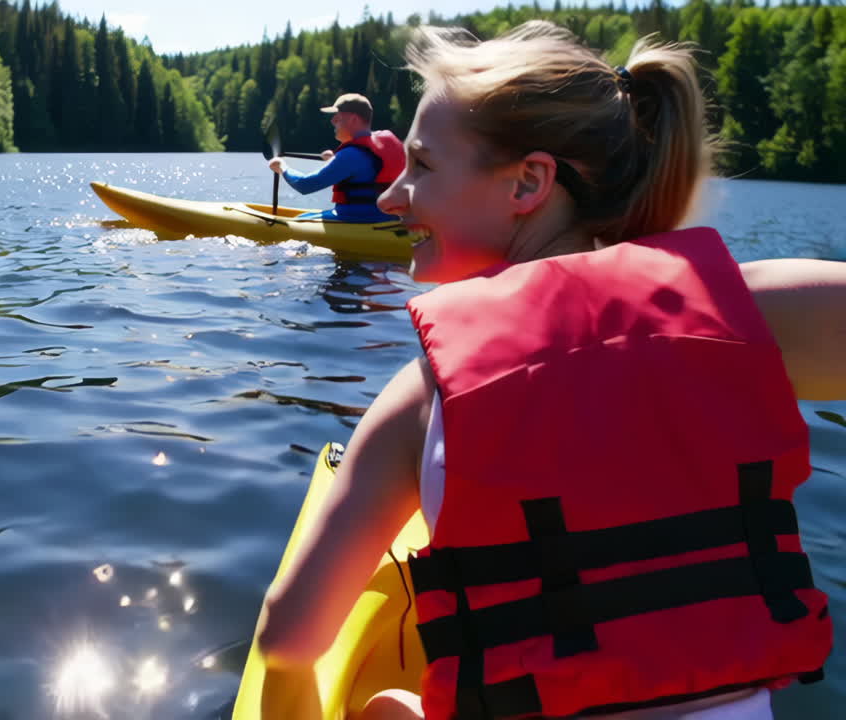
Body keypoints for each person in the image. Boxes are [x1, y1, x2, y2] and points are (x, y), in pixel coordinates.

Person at [252, 21, 846, 720]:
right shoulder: (749, 312)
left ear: (529, 182)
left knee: (385, 706)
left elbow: (288, 640)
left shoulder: (424, 397)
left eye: (424, 167)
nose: (392, 196)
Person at [267, 93, 405, 223]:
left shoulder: (351, 154)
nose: (333, 121)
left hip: (356, 220)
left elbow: (305, 185)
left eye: (338, 117)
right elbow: (365, 171)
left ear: (353, 119)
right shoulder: (381, 147)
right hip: (390, 220)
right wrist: (333, 160)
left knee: (300, 218)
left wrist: (282, 167)